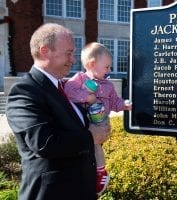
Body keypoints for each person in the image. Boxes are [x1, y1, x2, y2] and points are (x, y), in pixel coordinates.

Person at [5, 23, 110, 200]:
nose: (73, 60)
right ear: (45, 51)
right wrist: (91, 137)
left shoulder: (66, 88)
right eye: (68, 53)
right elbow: (43, 142)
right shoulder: (25, 91)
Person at [64, 42, 132, 195]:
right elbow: (68, 91)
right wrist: (87, 96)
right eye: (107, 67)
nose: (110, 70)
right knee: (88, 149)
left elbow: (115, 102)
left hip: (101, 122)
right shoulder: (80, 79)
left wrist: (125, 105)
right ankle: (93, 173)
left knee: (97, 146)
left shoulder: (108, 85)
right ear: (92, 64)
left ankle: (101, 172)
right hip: (83, 122)